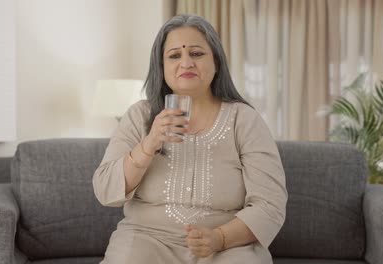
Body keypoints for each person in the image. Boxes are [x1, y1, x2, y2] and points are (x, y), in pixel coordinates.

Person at [92, 14, 287, 264]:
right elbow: (106, 190)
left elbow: (270, 205)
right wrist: (148, 144)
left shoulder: (244, 120)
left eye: (196, 53)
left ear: (216, 62)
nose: (186, 63)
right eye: (174, 55)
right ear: (161, 68)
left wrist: (220, 238)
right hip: (146, 241)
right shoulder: (139, 116)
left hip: (228, 246)